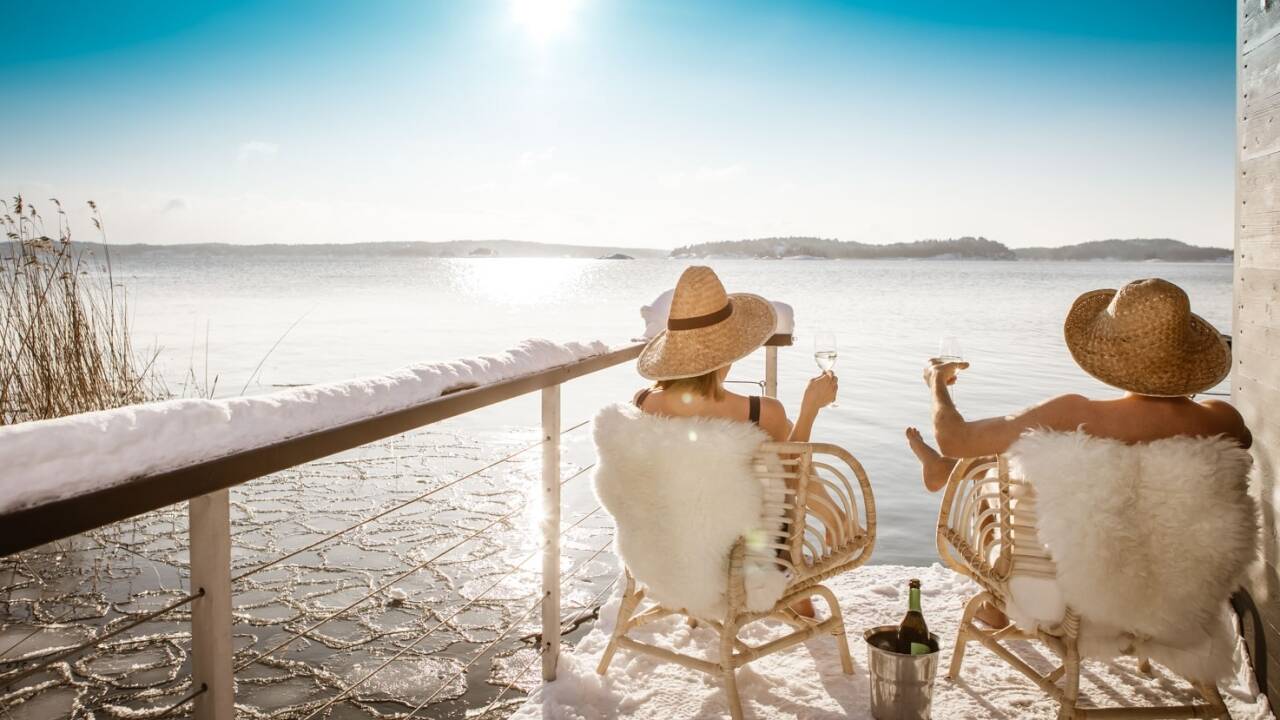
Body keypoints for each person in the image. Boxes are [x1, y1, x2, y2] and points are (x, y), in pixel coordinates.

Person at [905, 278, 1251, 628]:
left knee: (1004, 468)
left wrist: (936, 382)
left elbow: (954, 438)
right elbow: (1238, 440)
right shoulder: (1224, 420)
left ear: (1110, 353)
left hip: (1075, 603)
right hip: (1180, 607)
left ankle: (994, 592)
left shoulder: (1074, 415)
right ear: (1188, 358)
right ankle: (947, 470)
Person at [634, 265, 838, 616]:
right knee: (789, 459)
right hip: (741, 560)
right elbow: (793, 478)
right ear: (728, 351)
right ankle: (828, 531)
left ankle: (829, 527)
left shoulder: (642, 403)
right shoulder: (762, 412)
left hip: (667, 554)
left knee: (776, 450)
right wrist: (810, 409)